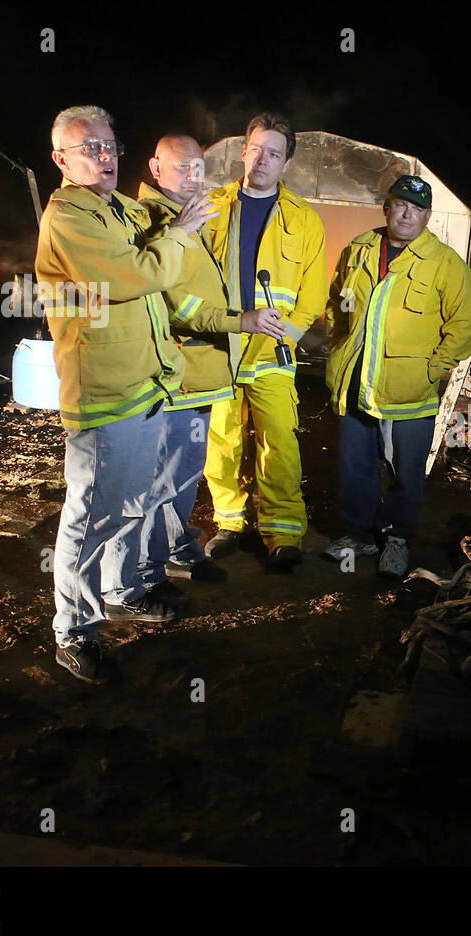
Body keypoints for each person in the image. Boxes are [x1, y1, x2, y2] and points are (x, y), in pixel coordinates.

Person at [36, 106, 213, 684]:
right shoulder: (68, 216)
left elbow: (159, 260)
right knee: (92, 515)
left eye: (111, 145)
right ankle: (74, 630)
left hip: (144, 384)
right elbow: (136, 276)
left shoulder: (118, 209)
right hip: (106, 392)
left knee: (132, 501)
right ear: (61, 159)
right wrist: (180, 234)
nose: (106, 156)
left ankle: (120, 590)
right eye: (91, 148)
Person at [120, 135, 289, 602]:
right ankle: (147, 574)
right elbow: (179, 306)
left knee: (184, 475)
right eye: (181, 168)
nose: (193, 177)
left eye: (199, 168)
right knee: (162, 479)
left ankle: (177, 550)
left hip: (204, 375)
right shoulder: (156, 222)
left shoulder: (190, 215)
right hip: (179, 372)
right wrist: (244, 321)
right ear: (155, 168)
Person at [322, 175, 471, 577]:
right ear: (386, 207)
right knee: (356, 465)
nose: (407, 214)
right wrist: (340, 344)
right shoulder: (358, 250)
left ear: (427, 215)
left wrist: (432, 369)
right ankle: (359, 535)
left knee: (404, 473)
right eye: (400, 204)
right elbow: (339, 302)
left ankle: (397, 539)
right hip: (357, 383)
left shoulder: (446, 264)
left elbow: (463, 328)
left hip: (409, 393)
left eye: (417, 208)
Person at [201, 113, 327, 571]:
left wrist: (288, 338)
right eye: (256, 149)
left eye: (274, 153)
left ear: (287, 163)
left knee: (280, 440)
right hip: (223, 344)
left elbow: (314, 291)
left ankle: (283, 531)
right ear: (243, 151)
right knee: (223, 437)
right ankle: (229, 522)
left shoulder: (304, 219)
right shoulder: (213, 206)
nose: (262, 159)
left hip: (271, 350)